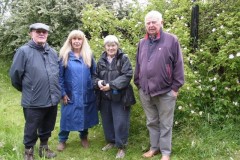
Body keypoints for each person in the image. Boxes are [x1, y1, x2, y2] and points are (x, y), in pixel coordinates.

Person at [134, 11, 184, 160]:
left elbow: (179, 65)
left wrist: (175, 88)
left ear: (161, 23)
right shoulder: (142, 43)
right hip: (146, 91)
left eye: (154, 22)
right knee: (151, 122)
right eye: (148, 23)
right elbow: (138, 64)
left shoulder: (171, 40)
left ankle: (166, 152)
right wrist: (138, 83)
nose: (151, 25)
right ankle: (154, 148)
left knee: (166, 124)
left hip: (166, 91)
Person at [9, 23, 61, 160]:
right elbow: (15, 76)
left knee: (48, 126)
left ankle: (44, 149)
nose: (41, 34)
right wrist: (28, 89)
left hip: (52, 98)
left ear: (47, 34)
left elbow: (56, 73)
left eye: (44, 32)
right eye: (38, 31)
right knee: (31, 128)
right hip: (33, 100)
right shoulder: (23, 51)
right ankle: (28, 153)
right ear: (31, 33)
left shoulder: (52, 52)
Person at [57, 30, 99, 151]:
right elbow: (59, 77)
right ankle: (62, 139)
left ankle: (84, 136)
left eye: (79, 39)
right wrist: (63, 93)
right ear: (70, 41)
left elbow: (94, 74)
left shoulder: (88, 55)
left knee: (84, 114)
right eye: (74, 39)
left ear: (83, 41)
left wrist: (92, 87)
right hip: (70, 93)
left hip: (86, 92)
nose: (76, 41)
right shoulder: (64, 55)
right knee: (67, 116)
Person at [93, 35, 134, 159]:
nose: (111, 48)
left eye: (113, 45)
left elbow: (127, 75)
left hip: (120, 96)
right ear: (105, 47)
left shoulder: (124, 58)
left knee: (121, 122)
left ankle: (121, 147)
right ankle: (111, 141)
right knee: (107, 121)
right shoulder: (100, 60)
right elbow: (94, 76)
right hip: (104, 96)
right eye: (108, 45)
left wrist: (111, 85)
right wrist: (98, 82)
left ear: (117, 46)